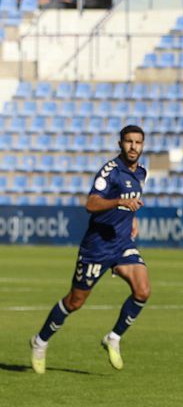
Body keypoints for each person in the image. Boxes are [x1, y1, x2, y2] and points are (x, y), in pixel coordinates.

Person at [29, 125, 150, 374]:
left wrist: (132, 218)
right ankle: (40, 341)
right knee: (75, 301)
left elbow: (130, 203)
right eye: (128, 141)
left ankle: (114, 337)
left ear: (143, 145)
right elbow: (91, 203)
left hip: (122, 243)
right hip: (96, 247)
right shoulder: (110, 171)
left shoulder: (141, 173)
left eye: (138, 142)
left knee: (143, 290)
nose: (133, 147)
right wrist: (119, 201)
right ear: (120, 144)